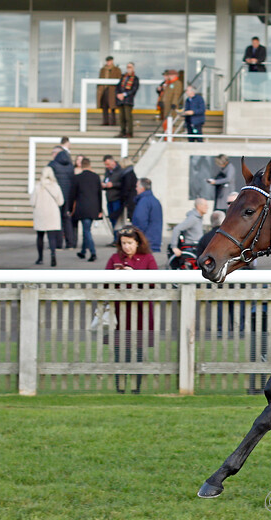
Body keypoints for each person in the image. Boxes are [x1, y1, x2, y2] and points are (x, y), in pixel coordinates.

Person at [105, 225, 158, 394]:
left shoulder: (148, 258)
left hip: (141, 311)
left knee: (138, 351)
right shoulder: (115, 258)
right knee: (120, 350)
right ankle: (119, 388)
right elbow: (104, 282)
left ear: (137, 243)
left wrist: (134, 274)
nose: (126, 247)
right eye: (123, 243)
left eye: (129, 243)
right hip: (120, 312)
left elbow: (154, 281)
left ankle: (136, 388)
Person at [31, 156, 65, 267]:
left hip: (40, 213)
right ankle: (53, 255)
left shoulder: (37, 187)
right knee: (52, 236)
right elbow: (61, 202)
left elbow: (32, 202)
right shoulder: (56, 186)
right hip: (52, 214)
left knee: (40, 236)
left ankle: (40, 258)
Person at [70, 157, 103, 262]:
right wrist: (100, 210)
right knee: (86, 229)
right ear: (90, 165)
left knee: (86, 230)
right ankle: (83, 252)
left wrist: (70, 209)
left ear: (81, 166)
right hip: (93, 208)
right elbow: (99, 194)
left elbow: (72, 196)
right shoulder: (96, 177)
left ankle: (93, 252)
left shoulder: (77, 178)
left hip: (82, 208)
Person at [48, 145, 77, 249]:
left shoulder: (53, 165)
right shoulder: (70, 166)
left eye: (53, 153)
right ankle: (70, 243)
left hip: (56, 197)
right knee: (67, 219)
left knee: (56, 220)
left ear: (56, 153)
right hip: (68, 196)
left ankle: (58, 244)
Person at [131, 178, 163, 253]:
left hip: (146, 241)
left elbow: (140, 221)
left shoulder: (144, 201)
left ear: (142, 188)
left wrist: (136, 236)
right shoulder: (154, 200)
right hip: (154, 240)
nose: (136, 189)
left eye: (137, 186)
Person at [115, 62, 139, 138]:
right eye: (128, 67)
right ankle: (122, 131)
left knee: (128, 117)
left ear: (133, 68)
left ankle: (130, 132)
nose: (129, 68)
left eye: (130, 67)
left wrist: (124, 94)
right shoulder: (123, 77)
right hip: (120, 100)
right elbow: (118, 87)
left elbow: (134, 89)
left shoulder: (135, 78)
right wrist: (118, 94)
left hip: (128, 100)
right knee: (121, 117)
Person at [102, 155, 124, 229]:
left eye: (108, 164)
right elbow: (105, 180)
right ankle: (114, 236)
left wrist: (113, 185)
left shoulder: (120, 171)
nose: (107, 166)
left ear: (113, 162)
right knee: (111, 218)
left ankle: (117, 237)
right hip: (109, 198)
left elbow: (123, 184)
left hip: (116, 198)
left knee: (117, 219)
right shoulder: (107, 171)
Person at [97, 56, 121, 126]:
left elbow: (119, 79)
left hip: (112, 90)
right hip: (104, 89)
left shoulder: (116, 69)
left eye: (110, 61)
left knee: (112, 106)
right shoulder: (103, 70)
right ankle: (105, 121)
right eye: (107, 61)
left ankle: (113, 121)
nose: (108, 62)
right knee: (104, 106)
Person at [118, 156, 138, 222]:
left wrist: (123, 197)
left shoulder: (127, 174)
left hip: (129, 199)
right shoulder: (130, 173)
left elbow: (127, 187)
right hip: (131, 198)